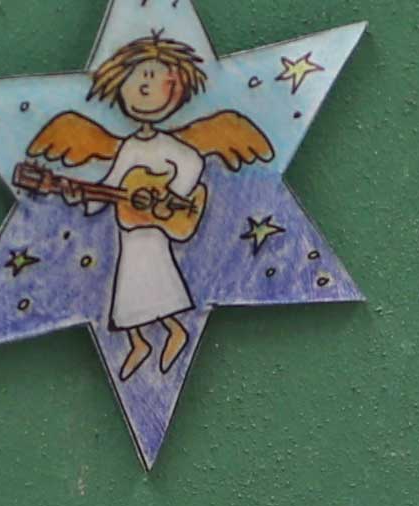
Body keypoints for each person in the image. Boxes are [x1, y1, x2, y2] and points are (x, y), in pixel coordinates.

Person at [18, 34, 273, 380]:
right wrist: (81, 195)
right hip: (130, 231)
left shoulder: (170, 145)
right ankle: (138, 342)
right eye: (137, 78)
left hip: (154, 230)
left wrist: (169, 197)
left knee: (157, 279)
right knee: (128, 287)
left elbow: (193, 165)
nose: (143, 87)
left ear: (176, 87)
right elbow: (112, 184)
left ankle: (176, 330)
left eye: (153, 78)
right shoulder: (129, 148)